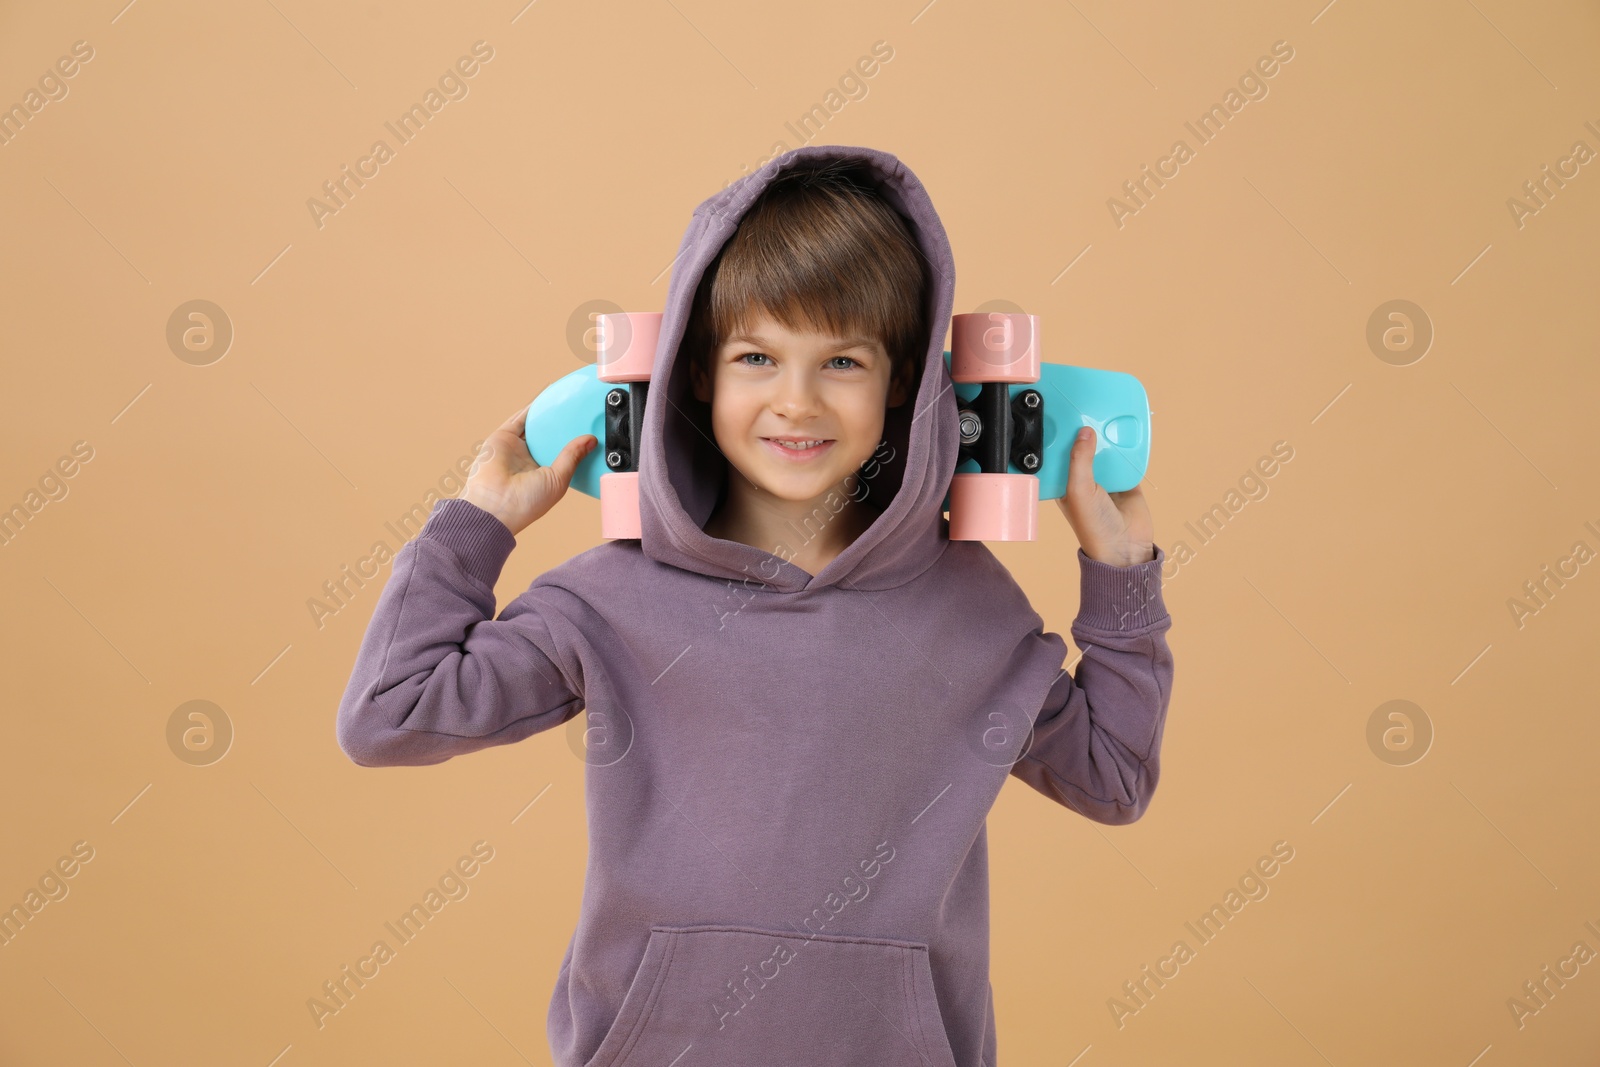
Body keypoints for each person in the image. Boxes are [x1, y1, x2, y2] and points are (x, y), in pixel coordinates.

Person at [336, 144, 1174, 1067]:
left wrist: (1119, 572)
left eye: (843, 361)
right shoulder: (610, 598)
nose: (796, 400)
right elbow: (390, 715)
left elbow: (1112, 778)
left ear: (902, 384)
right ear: (699, 372)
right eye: (757, 356)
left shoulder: (969, 608)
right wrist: (475, 529)